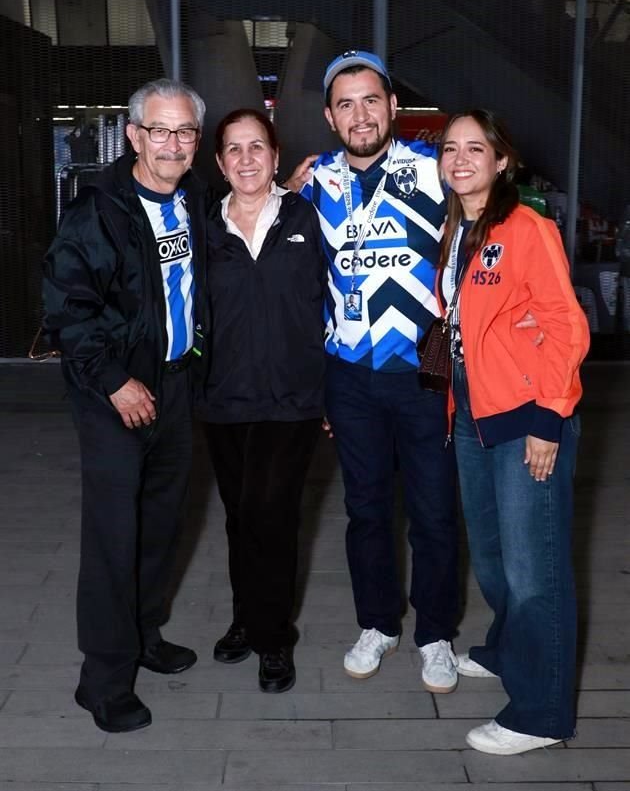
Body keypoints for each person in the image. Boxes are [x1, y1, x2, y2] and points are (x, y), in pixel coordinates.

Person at [287, 50, 461, 692]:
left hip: (422, 371)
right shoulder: (315, 183)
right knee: (364, 510)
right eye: (344, 104)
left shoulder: (437, 170)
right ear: (331, 118)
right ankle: (378, 622)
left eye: (370, 100)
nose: (359, 114)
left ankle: (436, 634)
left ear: (392, 106)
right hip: (349, 375)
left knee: (435, 511)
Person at [42, 78, 209, 733]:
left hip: (174, 388)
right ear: (135, 135)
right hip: (114, 392)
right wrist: (114, 380)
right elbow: (67, 310)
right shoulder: (97, 212)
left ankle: (145, 635)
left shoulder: (195, 198)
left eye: (185, 132)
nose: (172, 144)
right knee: (114, 535)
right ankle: (103, 681)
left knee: (161, 525)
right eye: (159, 131)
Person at [436, 109, 589, 755]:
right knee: (494, 550)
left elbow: (567, 325)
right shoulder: (458, 229)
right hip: (474, 409)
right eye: (451, 148)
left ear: (503, 162)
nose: (461, 158)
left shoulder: (527, 226)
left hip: (529, 412)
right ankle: (506, 649)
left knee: (535, 568)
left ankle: (540, 711)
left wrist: (549, 417)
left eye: (477, 148)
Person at [196, 109, 326, 694]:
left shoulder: (309, 215)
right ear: (220, 162)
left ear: (276, 155)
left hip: (293, 399)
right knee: (240, 516)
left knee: (271, 515)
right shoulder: (201, 226)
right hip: (224, 400)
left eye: (257, 147)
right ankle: (246, 617)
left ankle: (274, 639)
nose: (246, 159)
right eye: (234, 149)